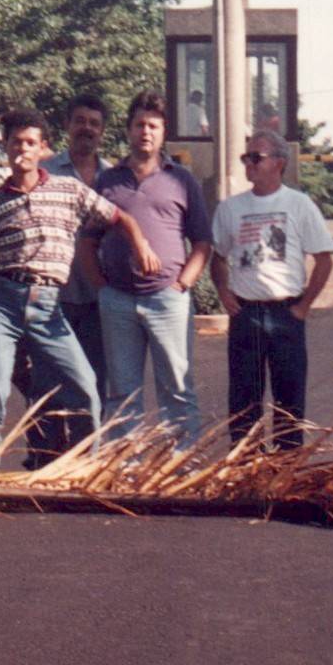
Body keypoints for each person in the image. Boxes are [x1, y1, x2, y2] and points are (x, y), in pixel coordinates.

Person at [0, 110, 159, 460]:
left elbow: (120, 217)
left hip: (48, 306)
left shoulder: (69, 189)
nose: (22, 149)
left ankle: (79, 468)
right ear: (5, 147)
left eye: (30, 143)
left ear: (43, 149)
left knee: (86, 389)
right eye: (15, 142)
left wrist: (141, 244)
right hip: (2, 303)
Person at [95, 91, 213, 446]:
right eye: (139, 125)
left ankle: (182, 473)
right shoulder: (108, 181)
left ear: (163, 133)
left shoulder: (182, 180)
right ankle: (123, 474)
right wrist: (102, 286)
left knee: (177, 390)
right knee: (122, 393)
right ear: (129, 130)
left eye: (153, 126)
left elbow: (203, 242)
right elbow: (88, 240)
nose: (145, 132)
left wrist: (182, 285)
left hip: (167, 299)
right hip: (118, 301)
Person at [210, 131, 333, 450]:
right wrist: (223, 290)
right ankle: (244, 475)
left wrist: (303, 307)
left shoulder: (299, 204)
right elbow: (217, 258)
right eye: (246, 157)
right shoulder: (230, 209)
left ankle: (286, 477)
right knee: (243, 405)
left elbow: (324, 260)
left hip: (286, 315)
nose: (248, 164)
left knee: (289, 406)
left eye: (256, 157)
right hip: (246, 315)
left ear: (279, 163)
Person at [12, 95, 114, 467]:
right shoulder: (45, 171)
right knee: (45, 383)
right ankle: (42, 460)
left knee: (92, 383)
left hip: (99, 298)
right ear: (68, 126)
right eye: (80, 120)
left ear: (101, 131)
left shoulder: (112, 176)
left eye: (94, 123)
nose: (86, 128)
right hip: (49, 295)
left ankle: (86, 463)